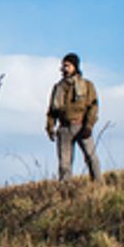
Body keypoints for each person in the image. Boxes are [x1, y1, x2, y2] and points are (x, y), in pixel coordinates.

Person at [45, 53, 101, 181]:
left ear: (75, 66)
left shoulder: (87, 85)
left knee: (92, 158)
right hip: (64, 128)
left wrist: (88, 126)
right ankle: (66, 189)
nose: (64, 69)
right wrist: (50, 127)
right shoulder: (58, 87)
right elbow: (52, 111)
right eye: (63, 66)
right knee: (64, 164)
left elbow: (93, 107)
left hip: (81, 126)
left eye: (67, 66)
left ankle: (99, 185)